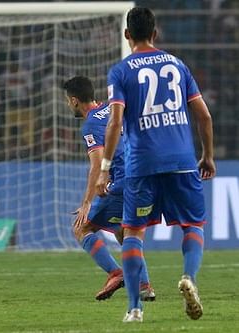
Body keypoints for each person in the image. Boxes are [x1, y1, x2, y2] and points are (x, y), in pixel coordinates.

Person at [96, 7, 215, 322]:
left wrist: (105, 166)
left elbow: (115, 121)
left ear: (126, 35)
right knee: (193, 226)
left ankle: (135, 308)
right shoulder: (177, 64)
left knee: (133, 232)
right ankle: (188, 277)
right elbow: (204, 115)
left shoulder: (120, 71)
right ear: (155, 33)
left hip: (142, 163)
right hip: (182, 160)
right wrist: (208, 155)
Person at [63, 76, 155, 302]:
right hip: (143, 177)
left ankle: (116, 273)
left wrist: (86, 202)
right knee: (125, 233)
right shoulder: (112, 109)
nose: (68, 104)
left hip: (122, 182)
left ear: (74, 101)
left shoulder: (91, 125)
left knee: (81, 228)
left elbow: (96, 164)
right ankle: (144, 286)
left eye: (67, 101)